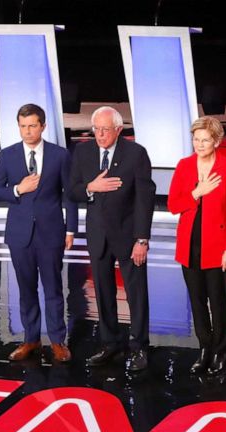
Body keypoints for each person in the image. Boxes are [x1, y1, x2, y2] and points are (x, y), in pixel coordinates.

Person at [69, 106, 156, 373]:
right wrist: (90, 188)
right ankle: (110, 342)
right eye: (96, 129)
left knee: (135, 293)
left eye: (105, 129)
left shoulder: (135, 153)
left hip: (129, 236)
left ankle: (139, 345)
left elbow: (145, 197)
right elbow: (72, 190)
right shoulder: (82, 152)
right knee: (103, 292)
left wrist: (142, 239)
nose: (100, 134)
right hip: (98, 235)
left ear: (118, 129)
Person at [0, 104, 78, 363]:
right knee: (25, 289)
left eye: (32, 126)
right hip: (20, 234)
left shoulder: (60, 155)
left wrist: (70, 229)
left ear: (43, 126)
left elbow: (69, 196)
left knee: (53, 289)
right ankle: (31, 339)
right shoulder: (7, 155)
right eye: (22, 126)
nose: (27, 131)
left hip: (51, 233)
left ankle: (57, 341)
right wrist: (17, 189)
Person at [167, 116, 226, 375]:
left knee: (218, 302)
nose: (199, 144)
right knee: (197, 301)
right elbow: (173, 205)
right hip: (189, 245)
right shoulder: (185, 165)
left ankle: (220, 350)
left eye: (205, 140)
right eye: (196, 139)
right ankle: (204, 348)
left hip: (218, 246)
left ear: (216, 141)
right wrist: (196, 193)